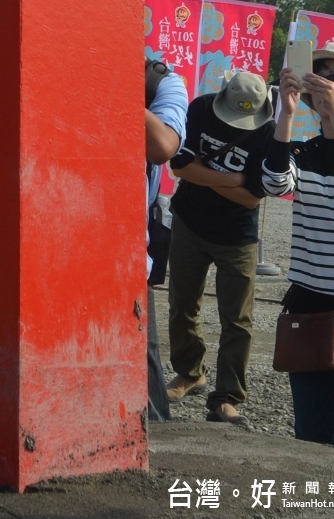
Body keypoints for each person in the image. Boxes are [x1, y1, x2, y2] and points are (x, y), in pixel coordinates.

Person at [164, 70, 285, 428]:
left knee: (238, 320)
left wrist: (205, 175)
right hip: (189, 222)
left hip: (238, 238)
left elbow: (253, 199)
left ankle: (227, 398)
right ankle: (189, 372)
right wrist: (234, 179)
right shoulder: (200, 109)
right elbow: (180, 165)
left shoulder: (268, 131)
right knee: (182, 303)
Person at [270, 42, 334, 446]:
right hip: (308, 302)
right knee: (312, 432)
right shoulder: (304, 152)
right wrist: (285, 113)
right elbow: (273, 182)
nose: (328, 87)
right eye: (319, 77)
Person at [144, 56, 187, 425]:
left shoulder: (160, 81)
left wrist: (116, 75)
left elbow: (161, 146)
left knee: (142, 361)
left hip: (127, 254)